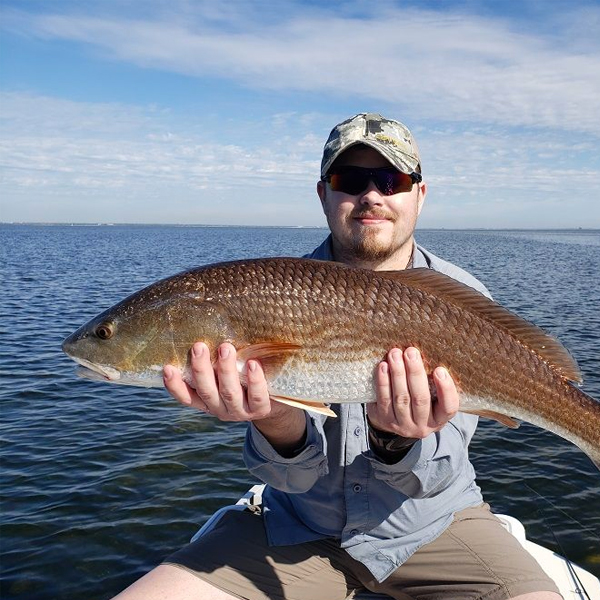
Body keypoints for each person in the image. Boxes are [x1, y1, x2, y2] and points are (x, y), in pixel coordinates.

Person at [113, 113, 561, 600]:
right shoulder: (275, 290)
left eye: (392, 180)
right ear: (324, 193)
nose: (371, 195)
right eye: (350, 180)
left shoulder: (462, 301)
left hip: (434, 528)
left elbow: (436, 473)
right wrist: (275, 419)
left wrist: (394, 440)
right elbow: (289, 478)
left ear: (419, 194)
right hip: (299, 530)